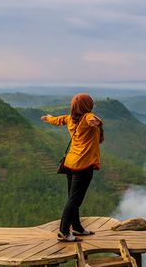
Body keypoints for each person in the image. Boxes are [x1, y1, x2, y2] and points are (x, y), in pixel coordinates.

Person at [41, 93, 104, 242]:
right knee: (75, 200)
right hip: (83, 165)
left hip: (70, 163)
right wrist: (96, 122)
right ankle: (63, 231)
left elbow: (57, 120)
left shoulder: (70, 118)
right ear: (87, 106)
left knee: (73, 198)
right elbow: (93, 120)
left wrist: (48, 118)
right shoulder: (88, 117)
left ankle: (76, 227)